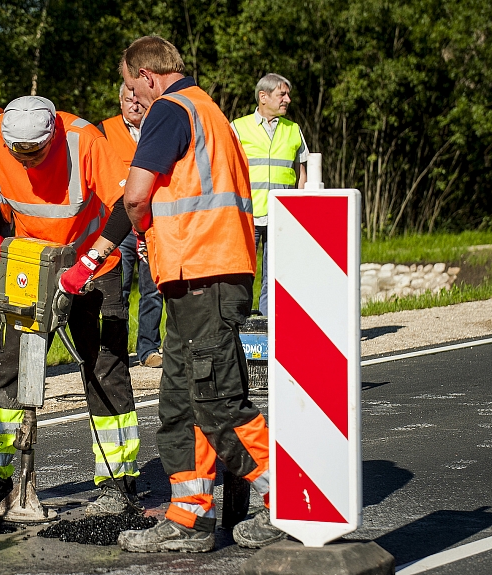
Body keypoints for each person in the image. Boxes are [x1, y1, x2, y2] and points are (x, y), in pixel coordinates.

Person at [116, 36, 286, 553]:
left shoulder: (170, 110)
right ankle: (188, 519)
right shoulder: (207, 109)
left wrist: (142, 231)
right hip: (202, 274)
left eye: (130, 87)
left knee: (214, 398)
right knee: (180, 404)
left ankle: (288, 495)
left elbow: (136, 194)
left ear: (148, 76)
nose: (132, 99)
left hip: (205, 272)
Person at [0, 95, 141, 517]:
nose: (27, 161)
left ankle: (117, 483)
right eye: (20, 153)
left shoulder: (84, 140)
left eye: (35, 152)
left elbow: (128, 205)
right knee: (11, 366)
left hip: (94, 264)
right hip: (31, 262)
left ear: (52, 134)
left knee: (103, 368)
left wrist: (87, 264)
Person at [231, 73, 309, 316]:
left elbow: (301, 173)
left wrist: (299, 209)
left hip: (281, 217)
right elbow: (228, 170)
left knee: (275, 275)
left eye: (288, 95)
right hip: (248, 214)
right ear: (263, 97)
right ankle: (240, 324)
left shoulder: (293, 130)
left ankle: (269, 323)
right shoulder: (239, 127)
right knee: (242, 273)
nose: (287, 99)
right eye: (281, 94)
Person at [98, 83, 163, 369]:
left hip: (154, 222)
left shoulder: (160, 127)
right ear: (120, 101)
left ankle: (148, 348)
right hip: (119, 224)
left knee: (153, 288)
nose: (134, 106)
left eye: (138, 101)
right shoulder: (103, 130)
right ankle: (116, 351)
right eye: (128, 100)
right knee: (117, 289)